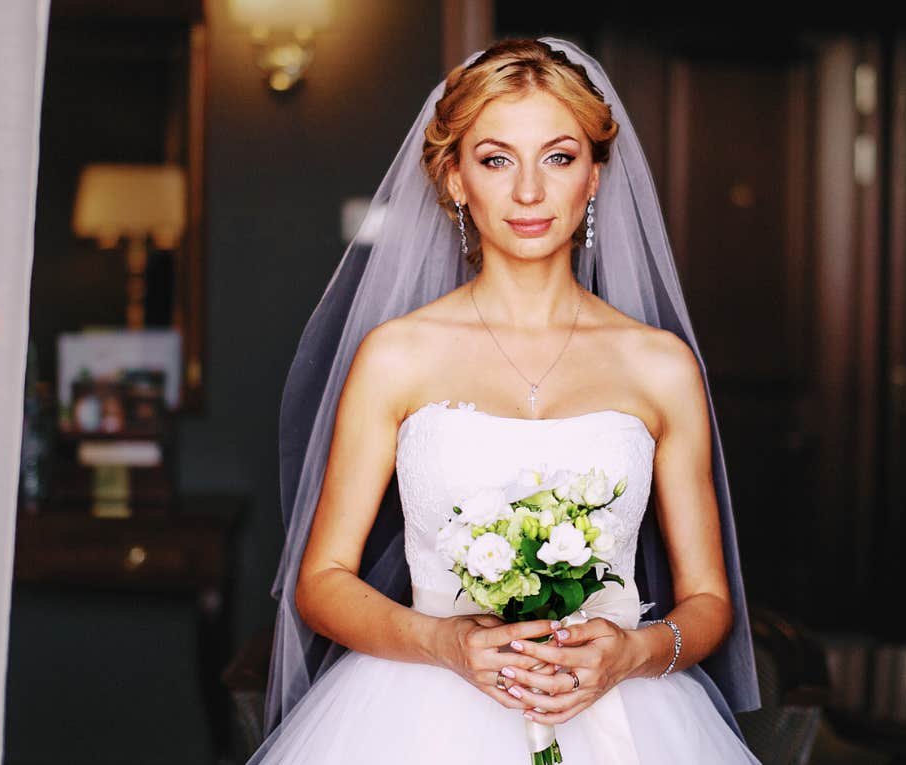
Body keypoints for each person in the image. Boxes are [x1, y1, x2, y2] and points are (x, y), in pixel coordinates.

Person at [249, 38, 762, 764]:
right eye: (496, 160)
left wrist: (634, 650)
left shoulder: (660, 365)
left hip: (624, 718)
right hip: (417, 714)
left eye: (558, 157)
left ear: (594, 175)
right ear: (455, 178)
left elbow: (709, 601)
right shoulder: (396, 355)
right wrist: (445, 641)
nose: (528, 192)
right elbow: (322, 582)